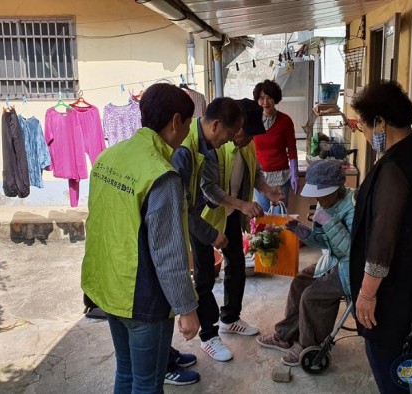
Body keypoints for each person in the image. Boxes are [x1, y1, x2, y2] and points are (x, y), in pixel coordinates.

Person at [81, 83, 200, 394]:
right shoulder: (161, 175)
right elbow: (168, 253)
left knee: (126, 372)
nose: (188, 131)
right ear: (176, 121)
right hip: (144, 299)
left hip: (110, 288)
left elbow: (97, 222)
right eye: (188, 123)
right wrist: (187, 308)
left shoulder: (108, 157)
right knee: (147, 384)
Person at [349, 81, 412, 394]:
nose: (362, 131)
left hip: (392, 292)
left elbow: (383, 234)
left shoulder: (393, 166)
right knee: (400, 361)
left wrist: (367, 293)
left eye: (362, 123)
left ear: (381, 123)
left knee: (385, 361)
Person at [198, 98, 284, 356]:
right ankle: (208, 335)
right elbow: (208, 188)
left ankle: (230, 319)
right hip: (205, 219)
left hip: (233, 215)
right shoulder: (215, 146)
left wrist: (268, 191)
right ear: (235, 128)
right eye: (247, 134)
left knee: (236, 264)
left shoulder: (246, 144)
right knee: (204, 276)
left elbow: (255, 172)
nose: (249, 140)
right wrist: (242, 204)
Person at [256, 159, 355, 366]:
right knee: (300, 281)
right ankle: (284, 335)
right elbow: (322, 241)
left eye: (321, 193)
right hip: (332, 259)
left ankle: (309, 345)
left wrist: (328, 221)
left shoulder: (352, 206)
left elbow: (351, 250)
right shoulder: (324, 202)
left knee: (312, 296)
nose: (318, 198)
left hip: (350, 266)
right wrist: (304, 233)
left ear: (335, 190)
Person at [171, 98, 247, 362]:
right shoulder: (185, 150)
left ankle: (208, 331)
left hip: (197, 217)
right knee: (200, 279)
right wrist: (212, 234)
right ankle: (207, 336)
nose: (230, 140)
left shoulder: (205, 145)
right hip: (188, 221)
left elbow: (208, 188)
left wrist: (239, 205)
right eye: (229, 133)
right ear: (216, 125)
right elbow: (179, 209)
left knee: (205, 276)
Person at [252, 79, 299, 213]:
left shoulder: (285, 120)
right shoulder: (253, 121)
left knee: (280, 220)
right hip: (260, 178)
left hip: (281, 177)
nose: (265, 102)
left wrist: (294, 173)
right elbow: (248, 148)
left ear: (276, 99)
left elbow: (292, 148)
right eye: (261, 98)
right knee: (262, 217)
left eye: (269, 98)